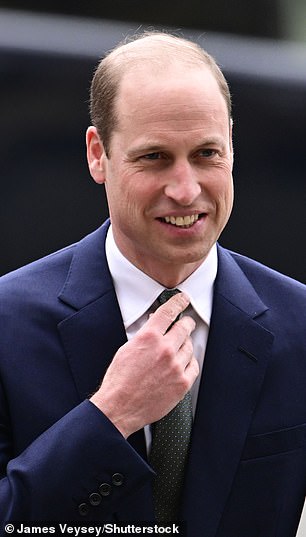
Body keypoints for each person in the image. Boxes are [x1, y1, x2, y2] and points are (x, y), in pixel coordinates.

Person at [0, 30, 306, 537]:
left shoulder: (298, 325)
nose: (185, 190)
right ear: (99, 155)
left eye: (207, 154)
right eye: (154, 157)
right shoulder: (8, 324)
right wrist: (111, 415)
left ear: (232, 144)